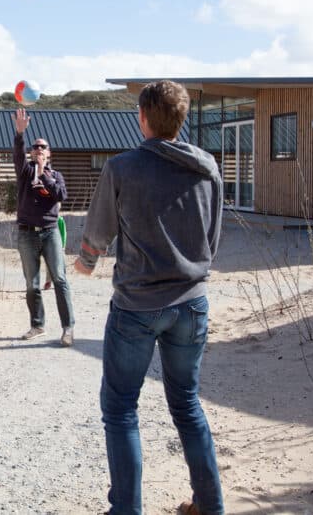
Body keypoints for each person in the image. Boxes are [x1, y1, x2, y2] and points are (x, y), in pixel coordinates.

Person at [73, 80, 224, 515]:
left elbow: (98, 232)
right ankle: (210, 506)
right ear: (182, 119)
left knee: (120, 409)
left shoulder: (123, 167)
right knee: (187, 404)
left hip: (137, 307)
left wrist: (86, 262)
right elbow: (212, 240)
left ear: (143, 118)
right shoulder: (208, 166)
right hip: (191, 303)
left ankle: (127, 510)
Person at [11, 108, 74, 346]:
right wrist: (20, 133)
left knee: (59, 278)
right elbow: (17, 155)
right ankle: (37, 325)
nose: (38, 149)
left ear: (49, 153)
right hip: (27, 234)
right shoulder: (25, 173)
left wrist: (44, 173)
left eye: (43, 147)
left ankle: (68, 328)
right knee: (32, 283)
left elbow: (60, 195)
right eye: (35, 147)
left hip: (50, 233)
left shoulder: (56, 176)